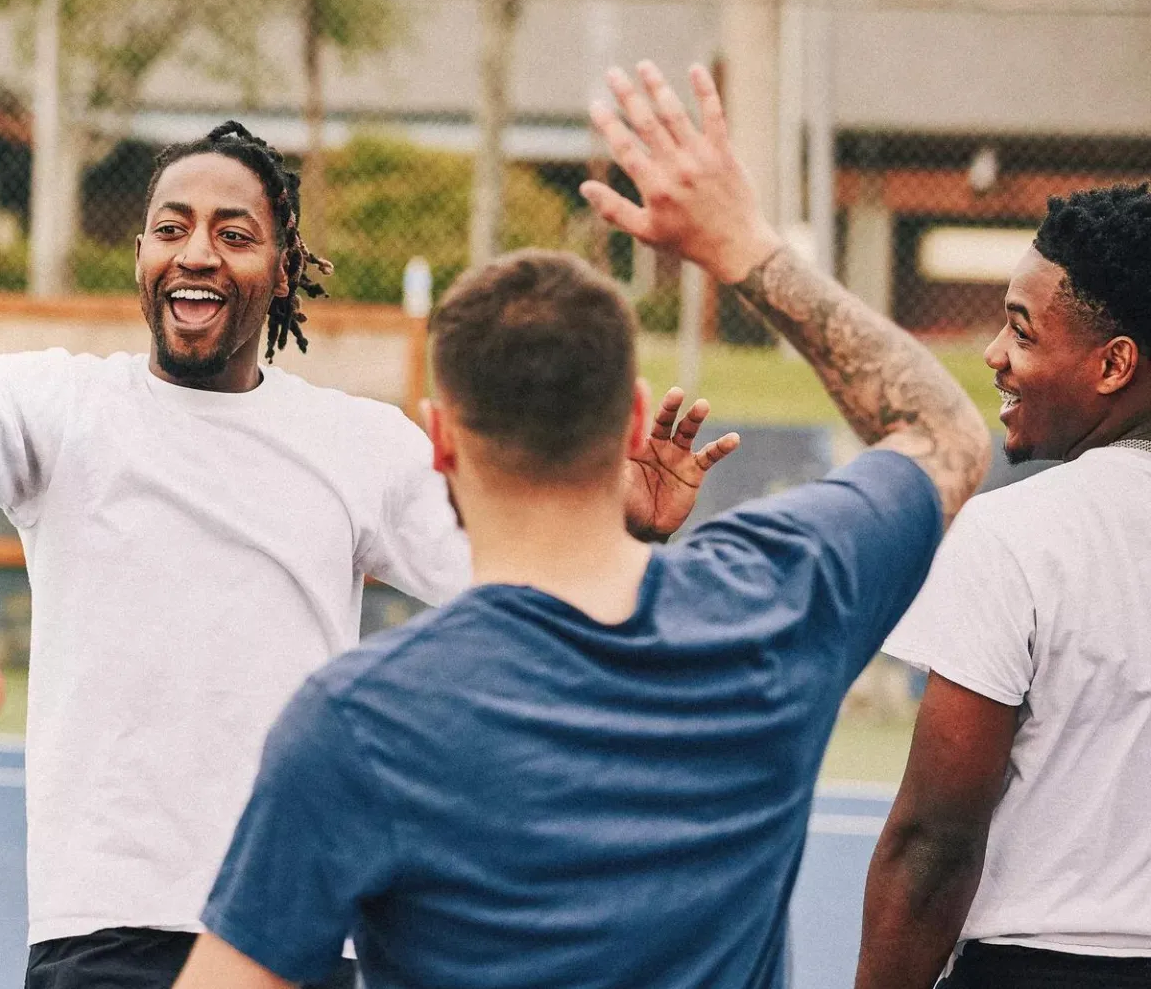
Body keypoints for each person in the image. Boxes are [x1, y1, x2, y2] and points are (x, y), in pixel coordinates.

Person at [0, 0, 740, 989]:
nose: (197, 253)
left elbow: (532, 601)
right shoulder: (58, 411)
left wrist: (617, 526)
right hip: (102, 929)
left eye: (235, 234)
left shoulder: (362, 443)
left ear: (283, 268)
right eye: (171, 226)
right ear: (140, 253)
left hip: (298, 930)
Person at [169, 61, 991, 989]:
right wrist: (744, 248)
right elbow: (945, 432)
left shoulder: (356, 722)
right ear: (637, 421)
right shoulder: (773, 605)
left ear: (440, 440)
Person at [857, 184, 1151, 989]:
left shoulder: (1018, 535)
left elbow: (933, 846)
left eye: (1020, 329)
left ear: (1114, 364)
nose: (992, 353)